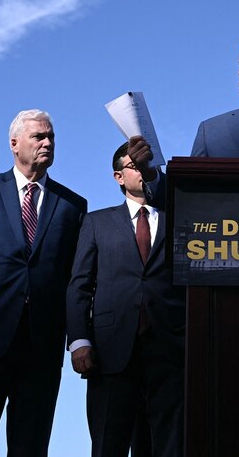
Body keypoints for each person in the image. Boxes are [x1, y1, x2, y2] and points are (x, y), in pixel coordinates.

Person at [0, 109, 87, 456]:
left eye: (51, 137)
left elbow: (73, 276)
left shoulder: (72, 205)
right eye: (39, 136)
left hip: (41, 344)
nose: (47, 143)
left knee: (30, 445)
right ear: (14, 143)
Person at [67, 143, 186, 457]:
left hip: (168, 348)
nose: (143, 171)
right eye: (135, 166)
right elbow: (80, 285)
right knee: (109, 442)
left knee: (169, 444)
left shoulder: (178, 220)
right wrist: (79, 341)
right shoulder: (97, 223)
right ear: (118, 176)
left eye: (148, 165)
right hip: (111, 350)